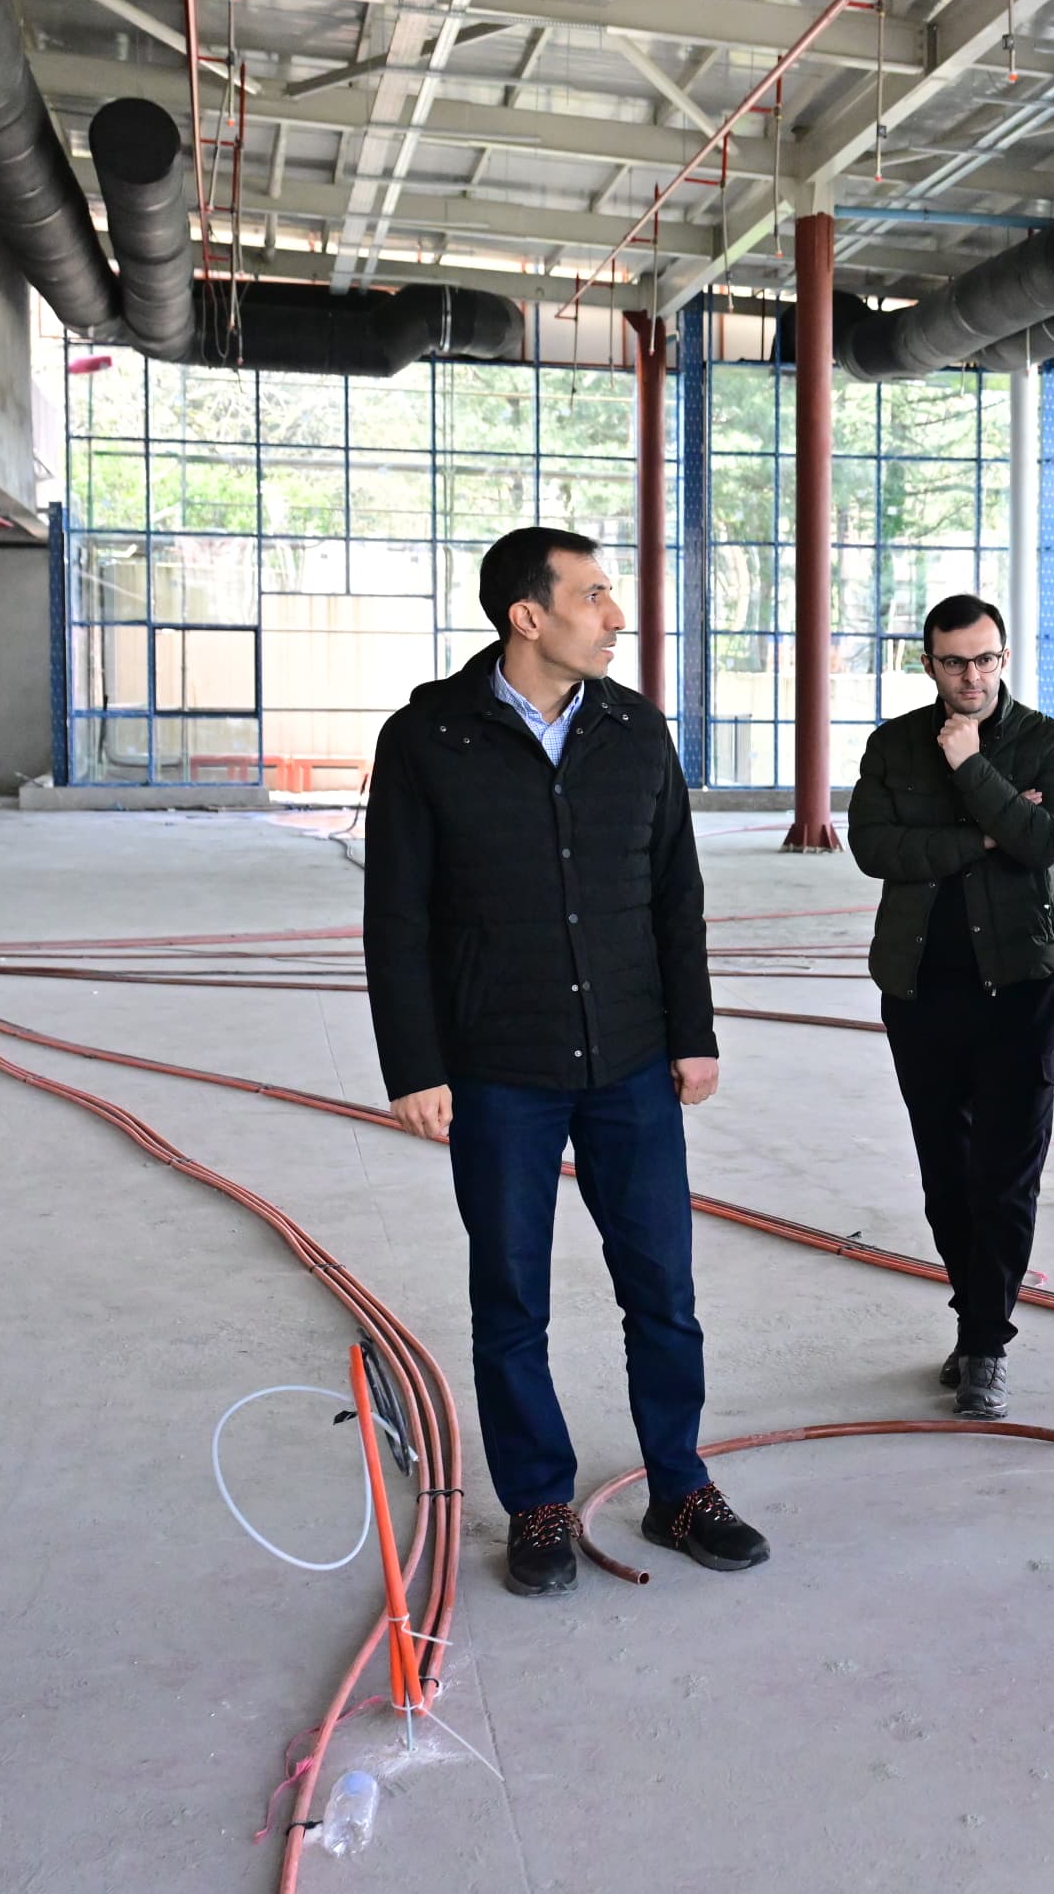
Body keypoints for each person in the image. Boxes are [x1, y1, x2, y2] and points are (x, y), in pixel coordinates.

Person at [363, 525, 766, 1598]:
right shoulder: (429, 737)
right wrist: (415, 1064)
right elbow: (396, 917)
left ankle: (680, 1485)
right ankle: (536, 1500)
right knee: (511, 1296)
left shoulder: (635, 729)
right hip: (499, 1067)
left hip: (632, 1059)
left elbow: (676, 891)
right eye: (594, 595)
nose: (615, 616)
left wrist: (694, 1034)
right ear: (527, 615)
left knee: (663, 1289)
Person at [849, 595, 1054, 1424]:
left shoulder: (1047, 742)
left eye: (986, 659)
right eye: (955, 662)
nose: (972, 677)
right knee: (945, 1175)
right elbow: (874, 847)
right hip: (920, 989)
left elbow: (1045, 841)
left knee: (1007, 1174)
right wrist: (989, 830)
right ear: (930, 665)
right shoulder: (892, 744)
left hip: (1019, 986)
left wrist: (971, 767)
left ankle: (986, 1342)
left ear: (1004, 657)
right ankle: (972, 1312)